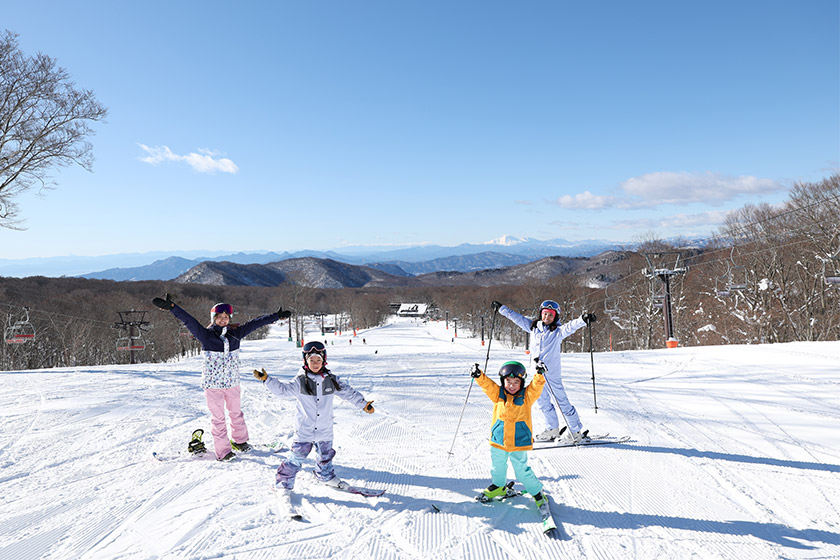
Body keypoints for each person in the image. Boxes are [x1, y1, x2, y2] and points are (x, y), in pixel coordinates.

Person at [152, 293, 291, 461]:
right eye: (219, 317)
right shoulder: (206, 335)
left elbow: (256, 323)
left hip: (232, 383)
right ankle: (223, 451)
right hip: (213, 385)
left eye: (226, 317)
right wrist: (173, 308)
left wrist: (276, 316)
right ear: (214, 318)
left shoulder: (236, 334)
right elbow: (189, 321)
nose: (223, 320)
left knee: (236, 413)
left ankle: (240, 441)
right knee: (218, 418)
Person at [253, 340, 374, 492]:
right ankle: (283, 483)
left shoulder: (331, 380)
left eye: (318, 360)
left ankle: (325, 476)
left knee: (325, 457)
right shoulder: (300, 381)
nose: (315, 363)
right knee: (296, 458)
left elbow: (348, 393)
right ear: (305, 361)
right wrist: (267, 380)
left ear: (324, 360)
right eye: (312, 360)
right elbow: (283, 391)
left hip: (324, 429)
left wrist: (363, 404)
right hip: (305, 429)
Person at [492, 300, 596, 442]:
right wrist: (501, 309)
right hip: (537, 374)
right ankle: (552, 429)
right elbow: (517, 318)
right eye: (545, 314)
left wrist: (583, 319)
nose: (547, 317)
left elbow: (571, 326)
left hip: (551, 374)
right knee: (543, 402)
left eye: (550, 315)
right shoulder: (533, 327)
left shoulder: (558, 332)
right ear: (541, 314)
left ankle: (575, 430)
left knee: (561, 402)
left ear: (555, 317)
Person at [471, 360, 551, 519]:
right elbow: (487, 385)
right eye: (508, 382)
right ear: (503, 381)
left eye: (516, 382)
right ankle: (499, 486)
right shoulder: (498, 394)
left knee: (522, 471)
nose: (512, 386)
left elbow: (536, 387)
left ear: (522, 383)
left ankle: (537, 492)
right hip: (498, 440)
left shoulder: (526, 396)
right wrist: (479, 375)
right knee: (497, 466)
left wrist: (539, 375)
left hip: (518, 441)